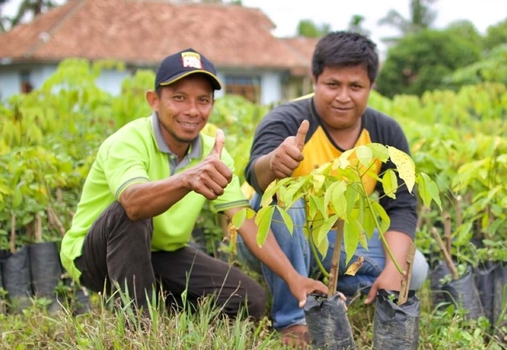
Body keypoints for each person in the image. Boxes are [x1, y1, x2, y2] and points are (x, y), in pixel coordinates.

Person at [60, 48, 326, 320]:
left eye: (202, 100)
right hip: (96, 257)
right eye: (179, 98)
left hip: (158, 255)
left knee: (249, 300)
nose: (192, 110)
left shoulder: (214, 154)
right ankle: (138, 328)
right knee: (130, 213)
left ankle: (165, 310)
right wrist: (187, 178)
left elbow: (245, 220)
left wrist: (294, 278)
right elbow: (132, 204)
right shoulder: (128, 140)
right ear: (154, 100)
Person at [239, 32, 429, 345]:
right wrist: (274, 163)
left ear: (371, 87)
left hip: (333, 239)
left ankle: (326, 286)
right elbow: (254, 176)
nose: (343, 96)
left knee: (415, 269)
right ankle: (292, 320)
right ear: (314, 80)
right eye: (332, 85)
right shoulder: (287, 120)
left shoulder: (385, 131)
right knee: (284, 197)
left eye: (355, 87)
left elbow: (402, 205)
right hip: (271, 237)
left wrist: (394, 275)